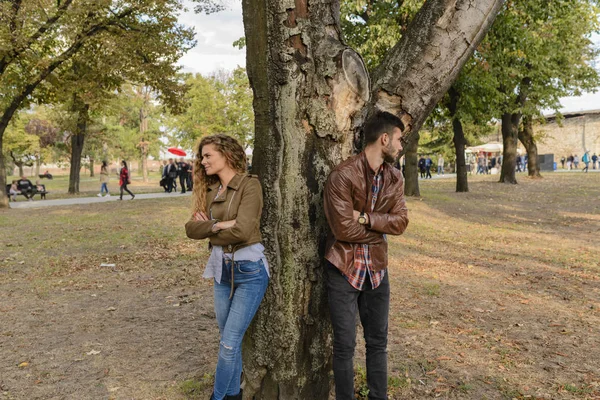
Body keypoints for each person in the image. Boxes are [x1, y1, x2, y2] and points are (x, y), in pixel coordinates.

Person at [323, 111, 409, 400]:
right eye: (398, 139)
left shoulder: (395, 178)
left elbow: (401, 222)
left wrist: (366, 218)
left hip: (376, 271)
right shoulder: (342, 175)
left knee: (377, 343)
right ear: (384, 139)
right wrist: (379, 231)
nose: (401, 145)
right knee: (344, 347)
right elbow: (342, 228)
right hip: (343, 269)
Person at [185, 134, 269, 400]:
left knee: (229, 344)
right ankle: (233, 394)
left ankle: (218, 397)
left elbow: (244, 231)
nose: (203, 160)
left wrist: (209, 228)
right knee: (228, 342)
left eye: (208, 155)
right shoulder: (210, 191)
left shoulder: (249, 186)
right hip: (222, 271)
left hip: (250, 271)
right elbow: (190, 229)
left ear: (226, 155)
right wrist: (221, 225)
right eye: (202, 156)